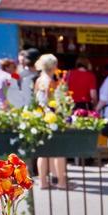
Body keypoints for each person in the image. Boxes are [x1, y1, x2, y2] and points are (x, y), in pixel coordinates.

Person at [34, 54, 69, 190]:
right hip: (52, 117)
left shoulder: (39, 80)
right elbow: (50, 101)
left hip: (41, 117)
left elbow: (39, 100)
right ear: (53, 66)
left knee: (43, 152)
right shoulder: (49, 81)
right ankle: (61, 181)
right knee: (58, 151)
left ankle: (43, 181)